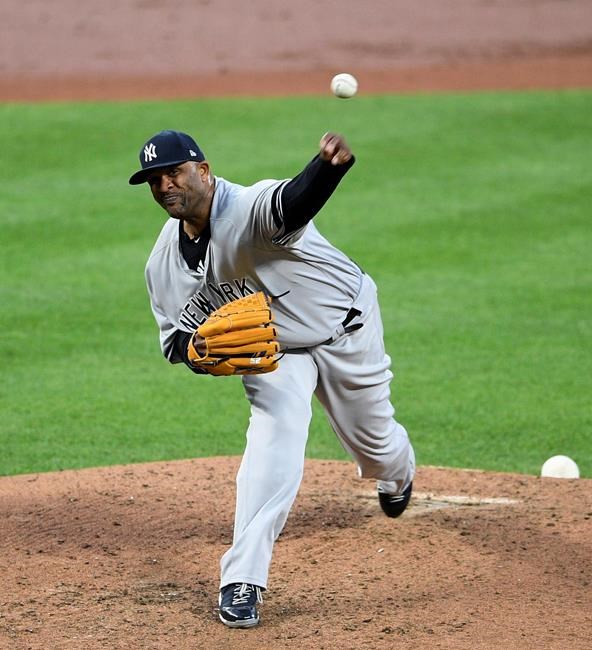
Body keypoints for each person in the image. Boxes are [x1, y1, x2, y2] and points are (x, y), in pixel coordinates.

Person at [129, 129, 416, 628]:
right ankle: (242, 580)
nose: (164, 185)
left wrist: (327, 168)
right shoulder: (163, 264)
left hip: (345, 328)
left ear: (204, 170)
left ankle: (398, 471)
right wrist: (198, 352)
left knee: (376, 447)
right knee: (272, 439)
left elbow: (292, 203)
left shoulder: (247, 206)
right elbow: (177, 342)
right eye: (154, 180)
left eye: (173, 172)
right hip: (276, 353)